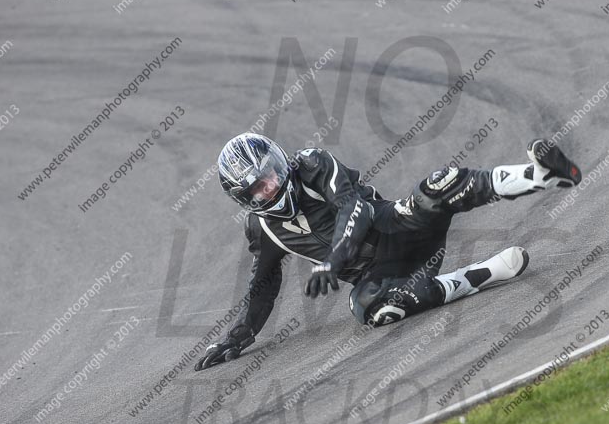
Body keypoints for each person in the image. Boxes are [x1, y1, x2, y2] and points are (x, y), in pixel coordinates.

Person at [194, 132, 581, 370]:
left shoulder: (311, 164)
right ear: (245, 198)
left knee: (436, 185)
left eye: (272, 173)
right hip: (385, 278)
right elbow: (263, 282)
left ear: (280, 161)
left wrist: (335, 258)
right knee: (372, 310)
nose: (272, 186)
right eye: (259, 187)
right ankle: (479, 274)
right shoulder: (260, 228)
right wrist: (239, 335)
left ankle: (542, 174)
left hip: (401, 229)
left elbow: (354, 207)